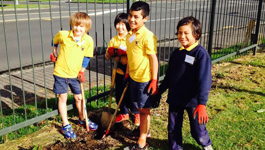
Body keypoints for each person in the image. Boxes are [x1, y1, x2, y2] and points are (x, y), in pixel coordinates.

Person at [157, 16, 213, 150]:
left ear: (196, 34)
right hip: (176, 98)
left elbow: (204, 80)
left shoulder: (201, 54)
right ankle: (176, 147)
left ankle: (206, 144)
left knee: (197, 130)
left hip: (193, 101)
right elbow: (169, 76)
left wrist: (202, 104)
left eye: (186, 33)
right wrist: (159, 91)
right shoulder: (176, 53)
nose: (182, 36)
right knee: (173, 127)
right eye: (179, 33)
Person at [50, 12, 98, 140]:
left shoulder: (88, 40)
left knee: (79, 98)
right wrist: (54, 52)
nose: (78, 28)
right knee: (63, 98)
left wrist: (82, 71)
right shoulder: (63, 35)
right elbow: (54, 41)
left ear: (86, 28)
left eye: (82, 26)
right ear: (72, 24)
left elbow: (87, 57)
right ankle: (65, 124)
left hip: (75, 75)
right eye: (76, 25)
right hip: (61, 73)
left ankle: (83, 118)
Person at [124, 1, 158, 149]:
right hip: (133, 78)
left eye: (136, 17)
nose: (132, 19)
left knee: (144, 110)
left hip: (145, 80)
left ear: (145, 18)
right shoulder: (130, 35)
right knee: (137, 107)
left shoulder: (147, 36)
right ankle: (143, 129)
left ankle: (143, 139)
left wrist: (154, 80)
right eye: (130, 16)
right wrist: (127, 73)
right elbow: (131, 56)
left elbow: (153, 59)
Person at [105, 13, 140, 126]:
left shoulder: (131, 37)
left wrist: (124, 55)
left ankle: (137, 113)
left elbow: (134, 53)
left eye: (123, 24)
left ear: (127, 25)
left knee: (132, 93)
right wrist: (111, 54)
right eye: (118, 24)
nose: (120, 27)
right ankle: (124, 112)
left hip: (130, 70)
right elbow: (107, 54)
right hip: (119, 70)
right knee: (119, 92)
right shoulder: (114, 40)